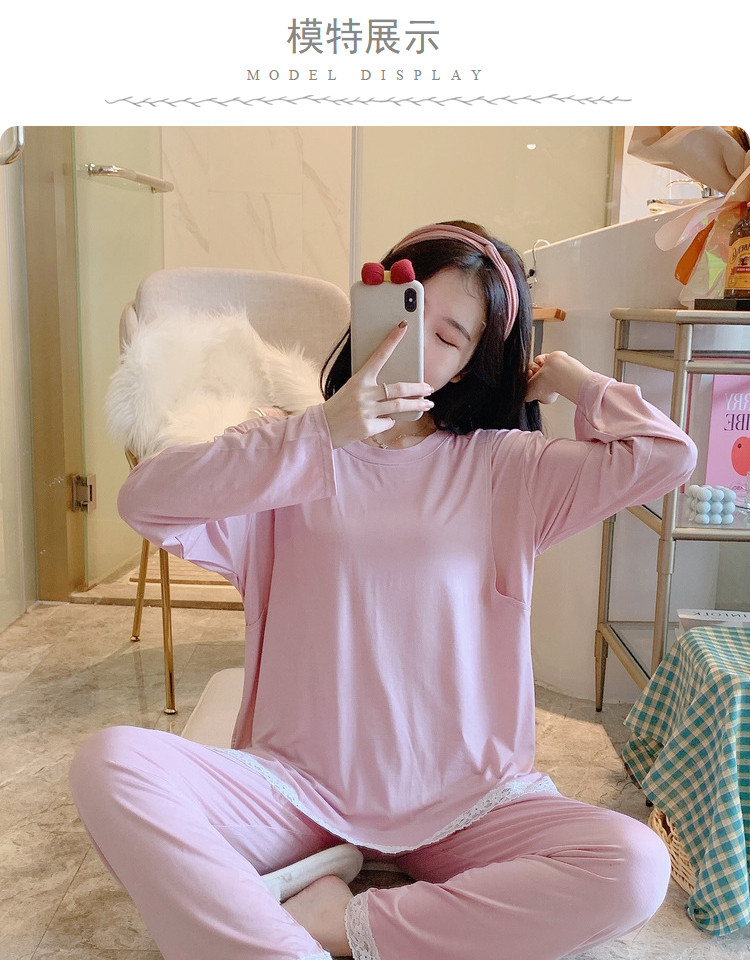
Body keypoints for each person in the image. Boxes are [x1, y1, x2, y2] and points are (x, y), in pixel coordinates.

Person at [70, 220, 696, 960]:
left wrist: (567, 377)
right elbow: (146, 500)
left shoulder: (507, 467)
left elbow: (667, 457)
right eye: (407, 310)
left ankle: (336, 925)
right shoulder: (288, 445)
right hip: (295, 792)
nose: (412, 341)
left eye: (449, 336)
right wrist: (323, 429)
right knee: (111, 764)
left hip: (467, 801)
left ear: (467, 368)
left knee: (633, 866)